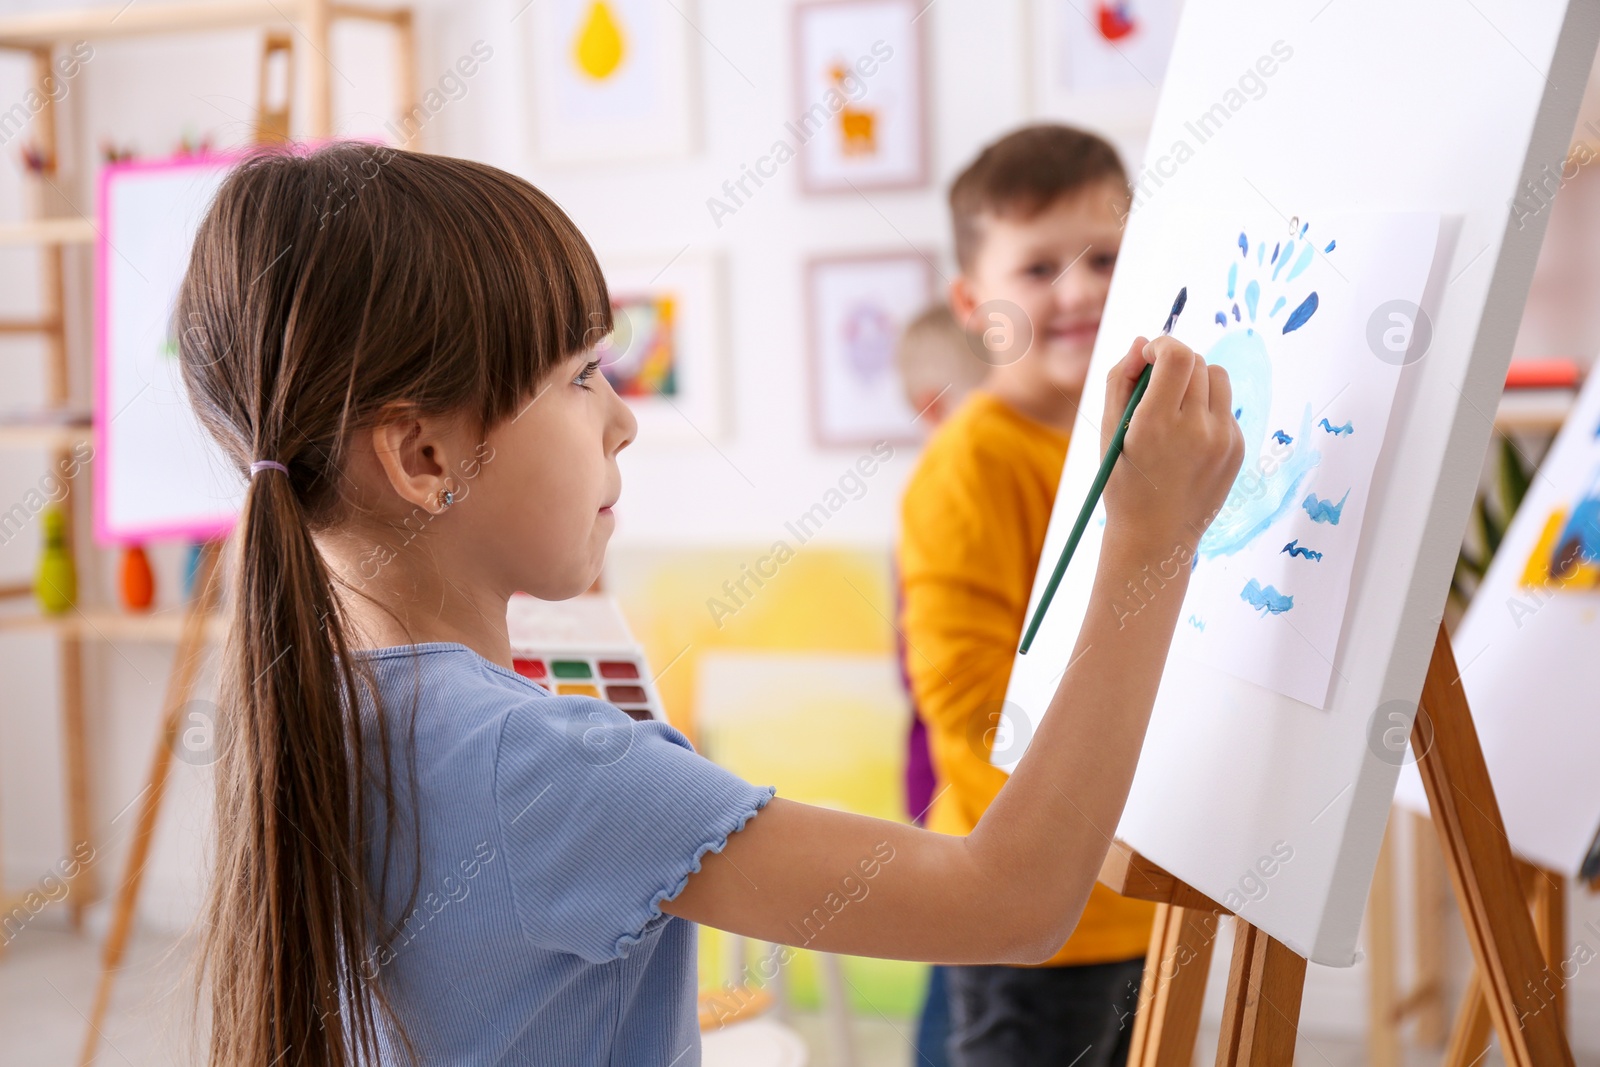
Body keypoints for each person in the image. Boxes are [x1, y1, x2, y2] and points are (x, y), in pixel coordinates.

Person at [179, 141, 1241, 1067]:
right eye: (583, 374)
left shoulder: (313, 701)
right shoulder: (541, 764)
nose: (623, 420)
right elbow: (1011, 899)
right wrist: (1150, 544)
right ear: (424, 457)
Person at [897, 124, 1159, 1065]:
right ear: (974, 304)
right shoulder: (972, 463)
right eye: (1039, 267)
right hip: (1032, 916)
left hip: (1139, 902)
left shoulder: (1145, 434)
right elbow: (968, 715)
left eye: (1108, 257)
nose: (1082, 288)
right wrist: (1074, 851)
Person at [889, 302, 990, 1066]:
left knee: (960, 961)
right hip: (946, 779)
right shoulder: (941, 493)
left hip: (963, 776)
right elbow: (919, 670)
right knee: (957, 970)